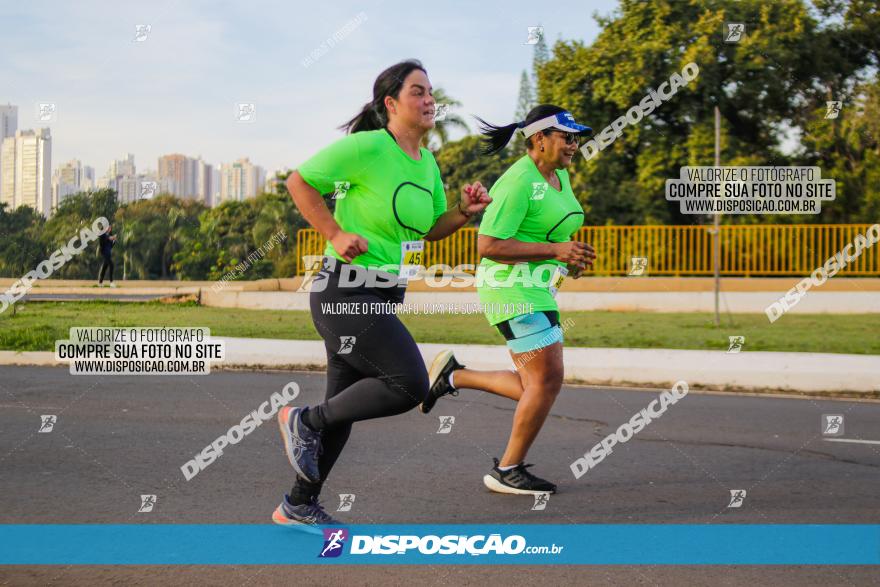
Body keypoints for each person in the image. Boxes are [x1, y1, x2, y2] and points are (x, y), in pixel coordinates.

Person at [273, 59, 491, 529]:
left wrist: (464, 211)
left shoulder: (427, 162)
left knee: (344, 409)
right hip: (345, 292)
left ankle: (297, 503)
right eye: (417, 91)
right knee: (409, 382)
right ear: (391, 104)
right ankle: (302, 420)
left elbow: (432, 228)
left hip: (382, 294)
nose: (429, 99)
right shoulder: (369, 147)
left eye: (431, 91)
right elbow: (300, 181)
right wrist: (332, 233)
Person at [420, 104, 596, 495]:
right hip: (509, 288)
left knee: (537, 384)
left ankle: (453, 376)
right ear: (540, 139)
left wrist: (569, 257)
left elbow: (551, 233)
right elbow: (488, 245)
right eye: (567, 137)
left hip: (537, 287)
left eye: (576, 137)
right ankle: (506, 469)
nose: (574, 144)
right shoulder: (517, 181)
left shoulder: (556, 177)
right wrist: (555, 253)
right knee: (546, 380)